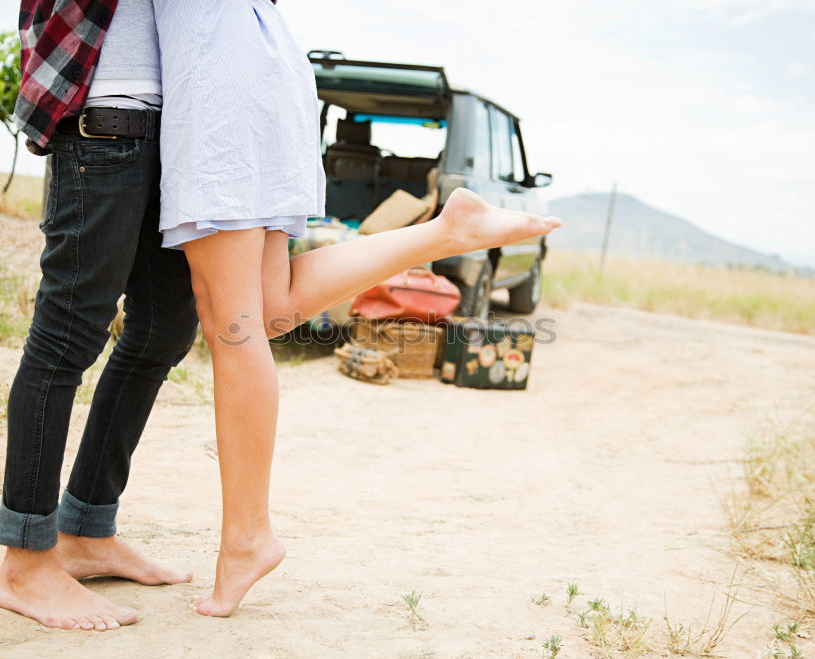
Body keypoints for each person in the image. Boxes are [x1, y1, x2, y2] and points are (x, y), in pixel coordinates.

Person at [152, 0, 562, 617]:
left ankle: (247, 538)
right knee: (266, 310)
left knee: (232, 328)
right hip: (269, 69)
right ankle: (443, 233)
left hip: (216, 82)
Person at [0, 0, 198, 631]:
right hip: (102, 122)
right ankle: (26, 559)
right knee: (66, 337)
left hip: (176, 131)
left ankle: (85, 528)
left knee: (164, 329)